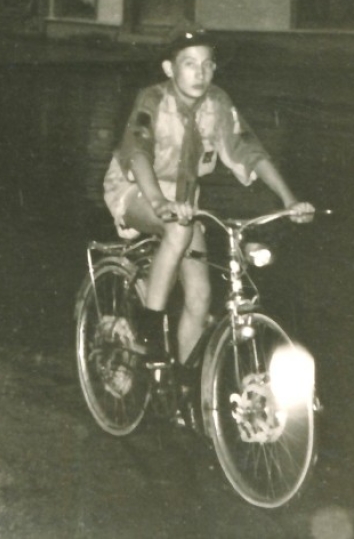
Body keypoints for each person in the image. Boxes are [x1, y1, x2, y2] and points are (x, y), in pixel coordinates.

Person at [103, 24, 315, 368]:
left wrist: (289, 200)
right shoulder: (153, 99)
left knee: (200, 297)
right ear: (170, 69)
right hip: (135, 187)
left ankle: (188, 386)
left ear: (214, 68)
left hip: (185, 203)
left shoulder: (217, 103)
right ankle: (148, 331)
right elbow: (137, 153)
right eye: (189, 63)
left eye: (206, 64)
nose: (199, 73)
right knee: (177, 230)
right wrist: (158, 202)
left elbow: (250, 152)